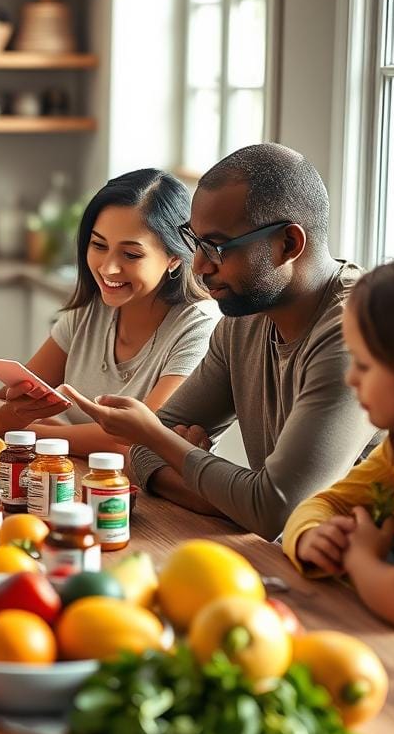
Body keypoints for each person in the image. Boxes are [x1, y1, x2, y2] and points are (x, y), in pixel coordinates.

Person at [65, 143, 376, 540]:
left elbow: (273, 511)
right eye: (194, 242)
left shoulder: (357, 333)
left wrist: (165, 443)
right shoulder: (241, 320)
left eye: (217, 247)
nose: (198, 265)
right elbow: (140, 457)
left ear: (288, 245)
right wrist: (232, 497)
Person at [0, 169, 217, 458]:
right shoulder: (88, 316)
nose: (108, 268)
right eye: (99, 245)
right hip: (71, 483)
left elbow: (142, 442)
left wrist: (34, 431)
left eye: (131, 255)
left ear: (175, 258)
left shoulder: (199, 328)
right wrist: (12, 416)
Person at [283, 237, 394, 632]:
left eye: (365, 366)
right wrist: (311, 536)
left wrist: (358, 559)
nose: (351, 378)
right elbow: (324, 502)